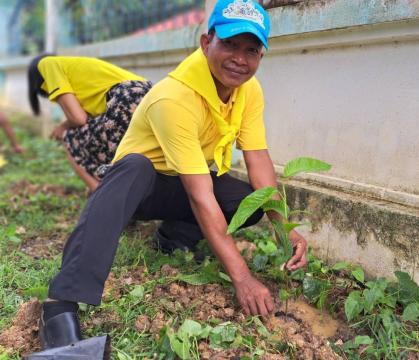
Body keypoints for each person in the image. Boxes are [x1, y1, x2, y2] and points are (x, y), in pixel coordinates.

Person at [36, 0, 308, 351]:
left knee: (247, 201)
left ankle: (172, 239)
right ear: (206, 42)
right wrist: (242, 277)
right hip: (137, 190)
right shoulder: (175, 97)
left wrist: (285, 228)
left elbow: (258, 160)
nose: (240, 58)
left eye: (251, 50)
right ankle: (60, 305)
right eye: (229, 44)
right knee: (135, 167)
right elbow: (199, 194)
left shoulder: (248, 91)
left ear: (261, 56)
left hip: (184, 181)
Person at [28, 55, 152, 193]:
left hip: (126, 99)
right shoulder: (76, 71)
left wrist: (61, 127)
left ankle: (101, 195)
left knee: (70, 137)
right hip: (151, 96)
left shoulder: (47, 64)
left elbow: (78, 119)